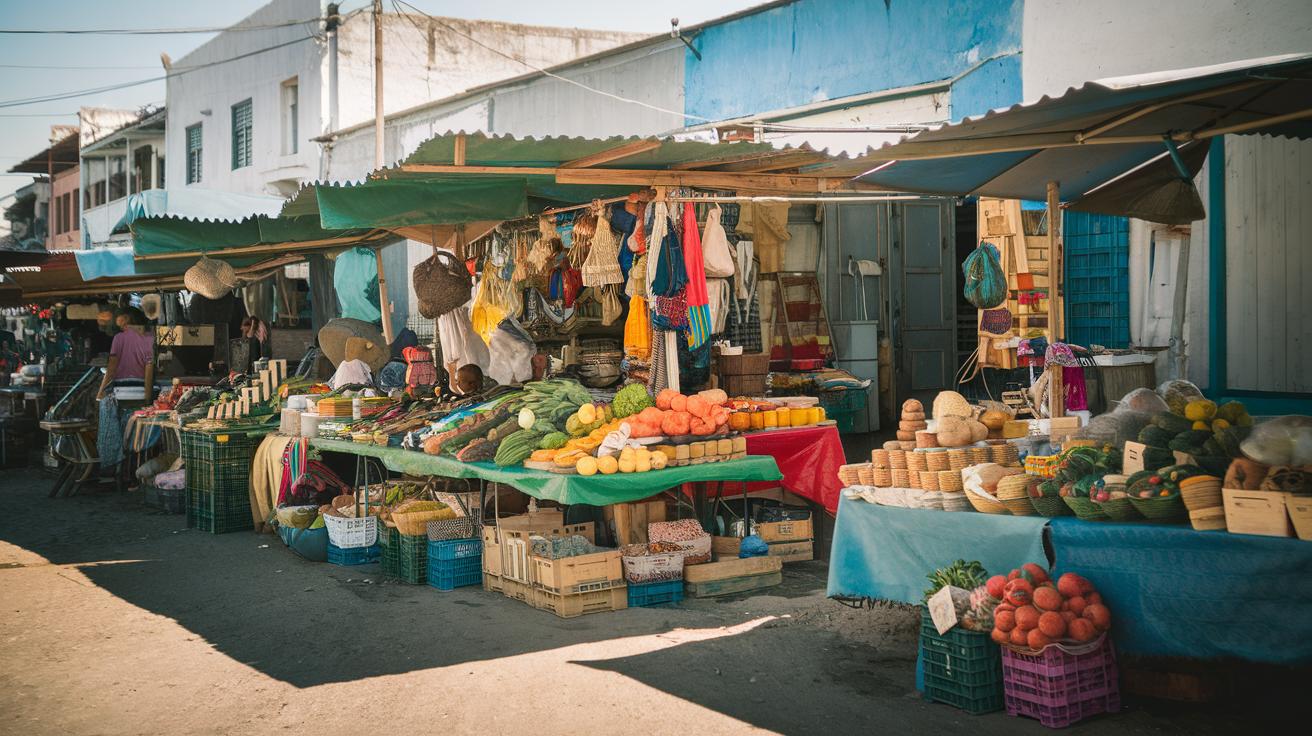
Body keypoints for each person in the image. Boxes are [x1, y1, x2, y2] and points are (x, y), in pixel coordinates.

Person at [98, 307, 155, 401]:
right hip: (141, 392)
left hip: (120, 394)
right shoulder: (151, 338)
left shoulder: (119, 338)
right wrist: (147, 398)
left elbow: (112, 367)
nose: (123, 329)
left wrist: (100, 394)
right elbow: (149, 369)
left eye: (123, 325)